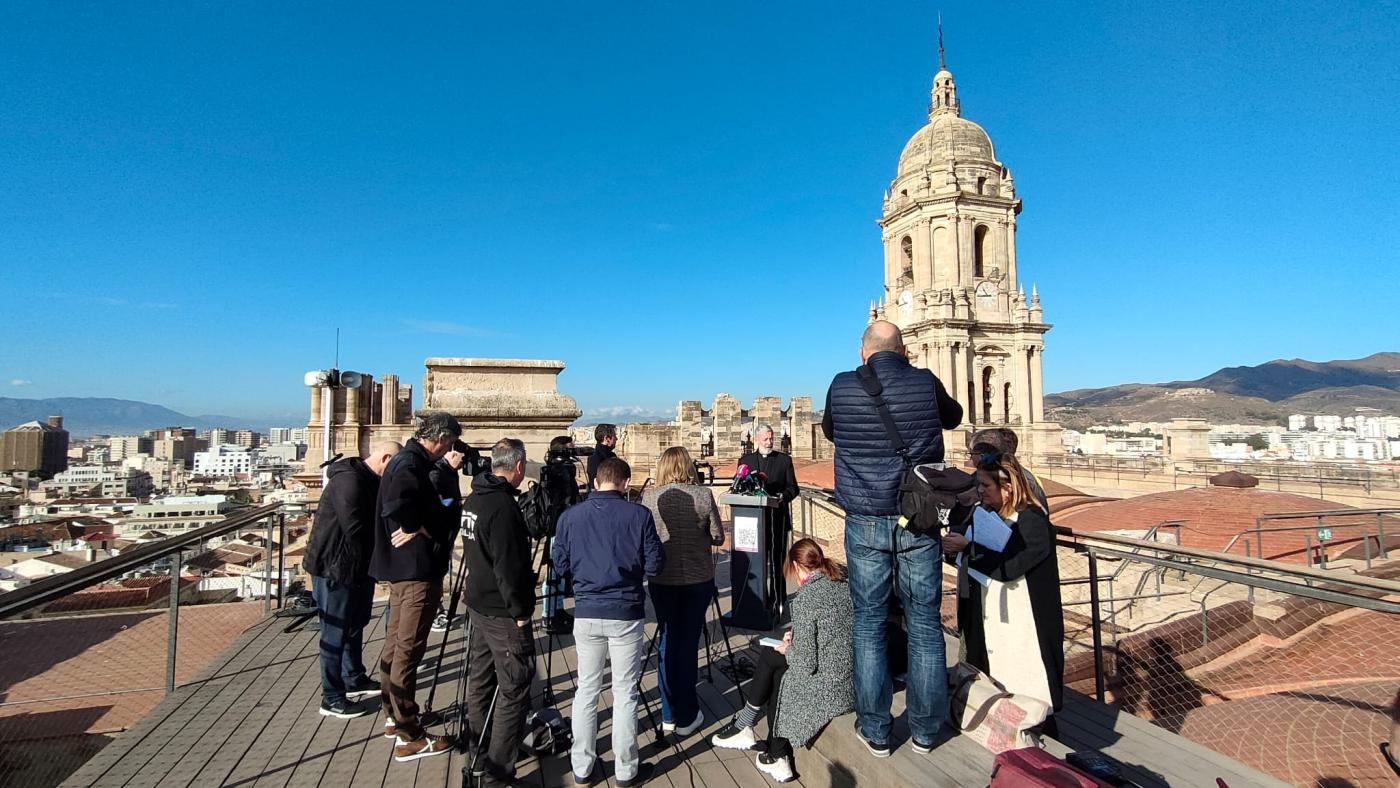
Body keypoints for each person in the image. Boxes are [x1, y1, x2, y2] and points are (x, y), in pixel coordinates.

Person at [820, 320, 962, 757]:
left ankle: (876, 728)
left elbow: (829, 431)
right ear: (903, 351)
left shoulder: (841, 385)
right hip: (917, 518)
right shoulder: (923, 381)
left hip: (864, 518)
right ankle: (926, 730)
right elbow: (954, 417)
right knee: (924, 623)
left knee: (869, 622)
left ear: (863, 353)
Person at [552, 456, 663, 787]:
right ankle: (626, 770)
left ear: (596, 482)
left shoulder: (570, 517)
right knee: (624, 691)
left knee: (586, 689)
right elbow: (655, 565)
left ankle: (582, 766)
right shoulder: (639, 515)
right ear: (626, 484)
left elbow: (559, 565)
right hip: (625, 612)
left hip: (586, 611)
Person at [711, 539, 854, 783]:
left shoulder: (807, 598)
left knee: (776, 665)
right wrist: (794, 640)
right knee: (775, 661)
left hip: (830, 685)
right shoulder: (841, 583)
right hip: (849, 676)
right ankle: (770, 748)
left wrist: (789, 648)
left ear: (798, 567)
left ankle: (756, 734)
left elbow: (806, 663)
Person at [942, 451, 1064, 733]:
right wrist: (955, 549)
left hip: (1025, 625)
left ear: (1008, 487)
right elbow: (970, 556)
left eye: (985, 486)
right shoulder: (984, 514)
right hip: (988, 617)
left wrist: (967, 549)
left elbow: (1011, 566)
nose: (979, 491)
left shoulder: (1032, 521)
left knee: (1030, 690)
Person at [369, 411, 462, 762]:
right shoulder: (410, 465)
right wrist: (419, 526)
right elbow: (401, 506)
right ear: (440, 438)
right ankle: (411, 735)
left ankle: (395, 715)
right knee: (408, 648)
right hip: (416, 570)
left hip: (404, 570)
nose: (450, 449)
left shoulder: (409, 460)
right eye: (450, 443)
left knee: (395, 644)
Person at [460, 438, 537, 787]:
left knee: (482, 679)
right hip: (502, 610)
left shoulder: (475, 498)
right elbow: (511, 567)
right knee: (514, 685)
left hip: (478, 603)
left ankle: (478, 750)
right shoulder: (503, 508)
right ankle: (498, 771)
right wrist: (521, 612)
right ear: (518, 466)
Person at [304, 440, 400, 719]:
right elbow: (356, 530)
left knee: (356, 623)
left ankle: (353, 676)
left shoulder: (366, 479)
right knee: (334, 632)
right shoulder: (349, 482)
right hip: (335, 568)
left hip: (355, 567)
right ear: (384, 458)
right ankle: (331, 697)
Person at [640, 446, 724, 737]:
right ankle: (687, 714)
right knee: (687, 646)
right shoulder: (703, 496)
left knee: (667, 642)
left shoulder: (650, 498)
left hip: (663, 579)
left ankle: (667, 713)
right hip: (697, 579)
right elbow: (717, 536)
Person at [736, 424, 800, 617]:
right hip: (753, 523)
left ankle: (778, 600)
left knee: (777, 562)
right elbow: (738, 488)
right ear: (756, 439)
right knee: (755, 562)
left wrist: (782, 496)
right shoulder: (745, 460)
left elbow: (793, 488)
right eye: (766, 439)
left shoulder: (784, 460)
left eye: (771, 438)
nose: (770, 442)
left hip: (777, 521)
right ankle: (757, 600)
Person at [967, 428, 1048, 513]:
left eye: (972, 453)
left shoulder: (1013, 477)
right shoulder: (1021, 475)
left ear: (982, 455)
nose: (971, 458)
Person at [585, 423, 618, 492]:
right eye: (614, 436)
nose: (616, 439)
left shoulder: (593, 457)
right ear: (607, 439)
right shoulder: (599, 458)